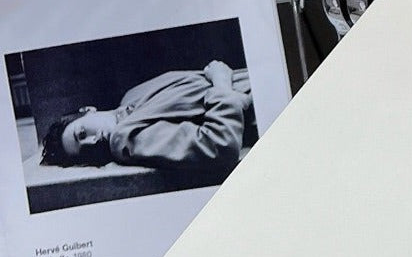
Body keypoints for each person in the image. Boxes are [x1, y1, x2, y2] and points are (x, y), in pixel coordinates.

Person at [40, 61, 255, 176]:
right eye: (86, 151)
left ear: (88, 110)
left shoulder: (132, 96)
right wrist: (222, 84)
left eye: (82, 134)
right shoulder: (123, 138)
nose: (93, 141)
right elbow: (218, 145)